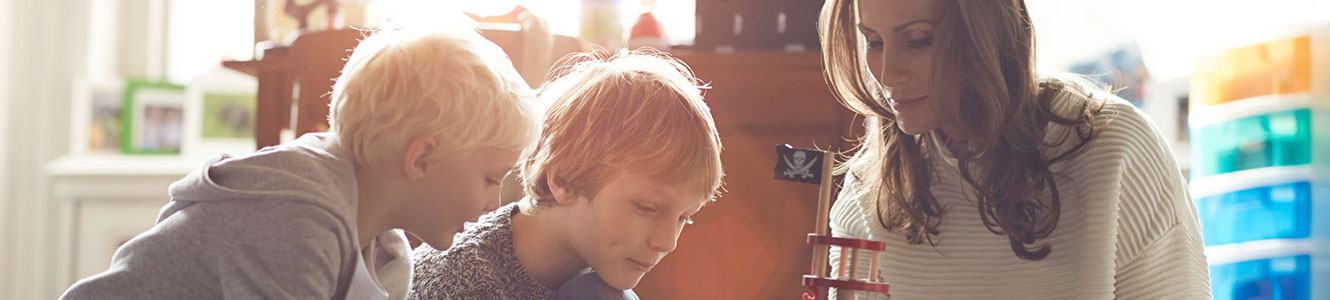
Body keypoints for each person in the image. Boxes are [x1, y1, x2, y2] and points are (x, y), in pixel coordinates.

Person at [60, 23, 539, 300]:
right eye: (490, 179)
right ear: (420, 159)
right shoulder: (294, 216)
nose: (492, 203)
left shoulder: (381, 245)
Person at [818, 0, 1211, 298]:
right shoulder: (868, 192)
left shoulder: (1117, 151)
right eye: (873, 41)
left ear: (985, 32)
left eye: (917, 40)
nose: (886, 74)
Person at [407, 49, 724, 299]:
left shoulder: (597, 273)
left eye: (684, 217)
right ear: (562, 180)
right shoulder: (463, 286)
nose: (668, 242)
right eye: (647, 208)